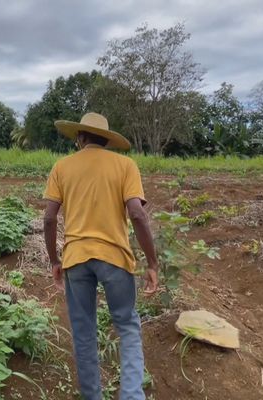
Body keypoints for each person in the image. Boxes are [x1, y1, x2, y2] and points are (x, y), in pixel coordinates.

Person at [43, 112, 159, 400]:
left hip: (76, 259)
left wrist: (54, 261)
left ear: (80, 138)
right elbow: (137, 214)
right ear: (105, 140)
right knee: (128, 326)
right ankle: (131, 396)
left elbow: (48, 218)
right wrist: (153, 262)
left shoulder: (62, 167)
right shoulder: (125, 165)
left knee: (84, 334)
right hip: (115, 258)